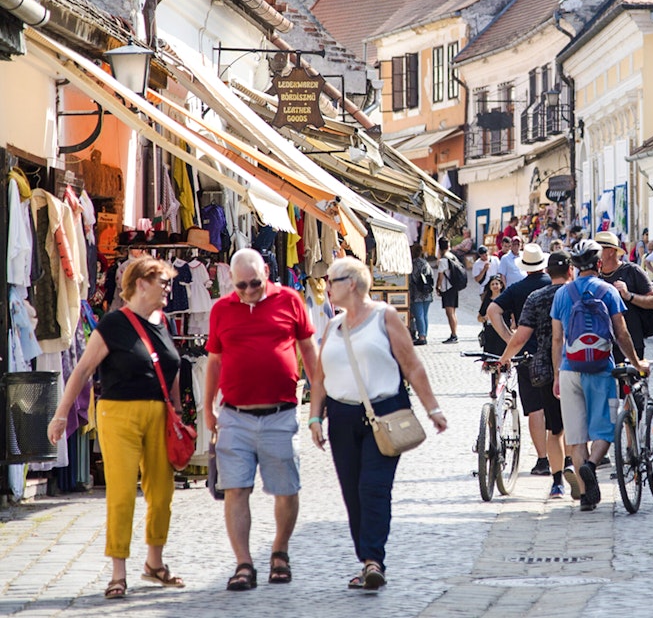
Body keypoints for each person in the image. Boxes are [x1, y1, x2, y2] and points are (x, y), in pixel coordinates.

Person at [48, 256, 185, 599]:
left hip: (158, 413)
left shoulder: (162, 321)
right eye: (163, 281)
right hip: (118, 413)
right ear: (141, 283)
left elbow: (173, 368)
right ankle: (118, 573)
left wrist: (179, 412)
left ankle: (155, 563)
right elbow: (81, 371)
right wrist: (61, 414)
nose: (168, 287)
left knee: (162, 493)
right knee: (122, 492)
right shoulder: (114, 324)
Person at [307, 257, 447, 590]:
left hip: (384, 413)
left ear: (351, 283)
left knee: (373, 487)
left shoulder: (385, 317)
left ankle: (373, 560)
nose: (326, 286)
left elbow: (412, 366)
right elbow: (320, 378)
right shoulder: (332, 325)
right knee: (352, 492)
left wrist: (433, 409)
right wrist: (315, 415)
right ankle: (366, 557)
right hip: (341, 417)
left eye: (332, 280)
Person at [204, 248, 319, 592]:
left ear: (266, 272)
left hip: (280, 413)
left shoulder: (290, 300)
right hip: (235, 415)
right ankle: (244, 563)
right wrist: (208, 406)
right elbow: (213, 361)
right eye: (241, 286)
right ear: (232, 282)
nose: (249, 291)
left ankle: (279, 552)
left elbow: (308, 349)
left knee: (286, 489)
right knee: (236, 489)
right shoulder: (221, 309)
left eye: (255, 283)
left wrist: (319, 401)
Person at [550, 239, 644, 511]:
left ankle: (588, 499)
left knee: (577, 437)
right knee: (604, 428)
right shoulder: (608, 291)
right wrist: (636, 362)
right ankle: (592, 465)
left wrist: (558, 374)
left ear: (574, 267)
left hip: (570, 369)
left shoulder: (562, 295)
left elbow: (557, 339)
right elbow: (621, 333)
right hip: (602, 368)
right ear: (599, 264)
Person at [497, 251, 573, 499]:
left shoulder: (536, 297)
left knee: (555, 429)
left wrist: (505, 356)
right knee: (577, 426)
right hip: (580, 365)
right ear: (570, 271)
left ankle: (558, 482)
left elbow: (520, 336)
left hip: (547, 369)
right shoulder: (579, 293)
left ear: (548, 272)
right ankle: (579, 469)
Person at [488, 243, 553, 476]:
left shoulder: (516, 289)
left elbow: (492, 311)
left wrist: (508, 339)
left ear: (524, 266)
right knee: (558, 406)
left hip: (527, 355)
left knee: (535, 409)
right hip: (556, 354)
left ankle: (543, 460)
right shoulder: (555, 285)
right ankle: (564, 458)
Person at [595, 231, 653, 360]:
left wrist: (629, 296)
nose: (594, 254)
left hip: (631, 341)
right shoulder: (594, 275)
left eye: (598, 249)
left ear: (611, 251)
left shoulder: (632, 271)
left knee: (631, 379)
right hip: (601, 344)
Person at [436, 237, 460, 344]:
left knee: (449, 313)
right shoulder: (453, 257)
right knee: (453, 312)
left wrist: (437, 287)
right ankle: (454, 333)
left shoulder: (443, 260)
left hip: (447, 288)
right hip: (454, 287)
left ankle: (454, 335)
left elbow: (440, 276)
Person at [408, 245, 434, 346]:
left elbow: (411, 279)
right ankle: (424, 335)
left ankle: (422, 337)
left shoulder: (413, 264)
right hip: (427, 293)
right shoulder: (426, 263)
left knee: (419, 315)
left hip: (417, 293)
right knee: (425, 315)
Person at [478, 275, 508, 356]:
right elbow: (479, 317)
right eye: (492, 284)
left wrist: (513, 325)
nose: (495, 286)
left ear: (501, 285)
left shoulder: (506, 298)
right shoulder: (487, 300)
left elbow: (512, 314)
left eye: (496, 284)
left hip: (504, 329)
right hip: (490, 331)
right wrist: (484, 318)